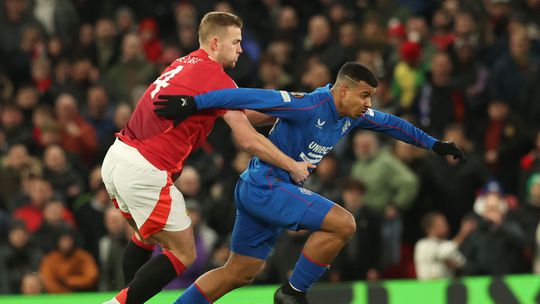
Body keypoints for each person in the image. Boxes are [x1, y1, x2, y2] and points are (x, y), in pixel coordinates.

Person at [154, 62, 466, 304]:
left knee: (236, 273)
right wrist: (192, 103)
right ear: (343, 90)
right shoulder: (308, 104)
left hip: (262, 189)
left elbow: (393, 124)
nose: (369, 103)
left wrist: (434, 145)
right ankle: (292, 292)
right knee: (343, 224)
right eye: (365, 95)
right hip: (267, 185)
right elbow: (245, 96)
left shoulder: (352, 114)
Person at [100, 11, 312, 304]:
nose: (240, 48)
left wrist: (286, 107)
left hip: (117, 159)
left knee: (148, 237)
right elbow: (247, 138)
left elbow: (238, 113)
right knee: (184, 252)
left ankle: (127, 299)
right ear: (215, 43)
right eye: (236, 42)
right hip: (145, 167)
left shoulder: (186, 64)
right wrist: (292, 166)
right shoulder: (216, 78)